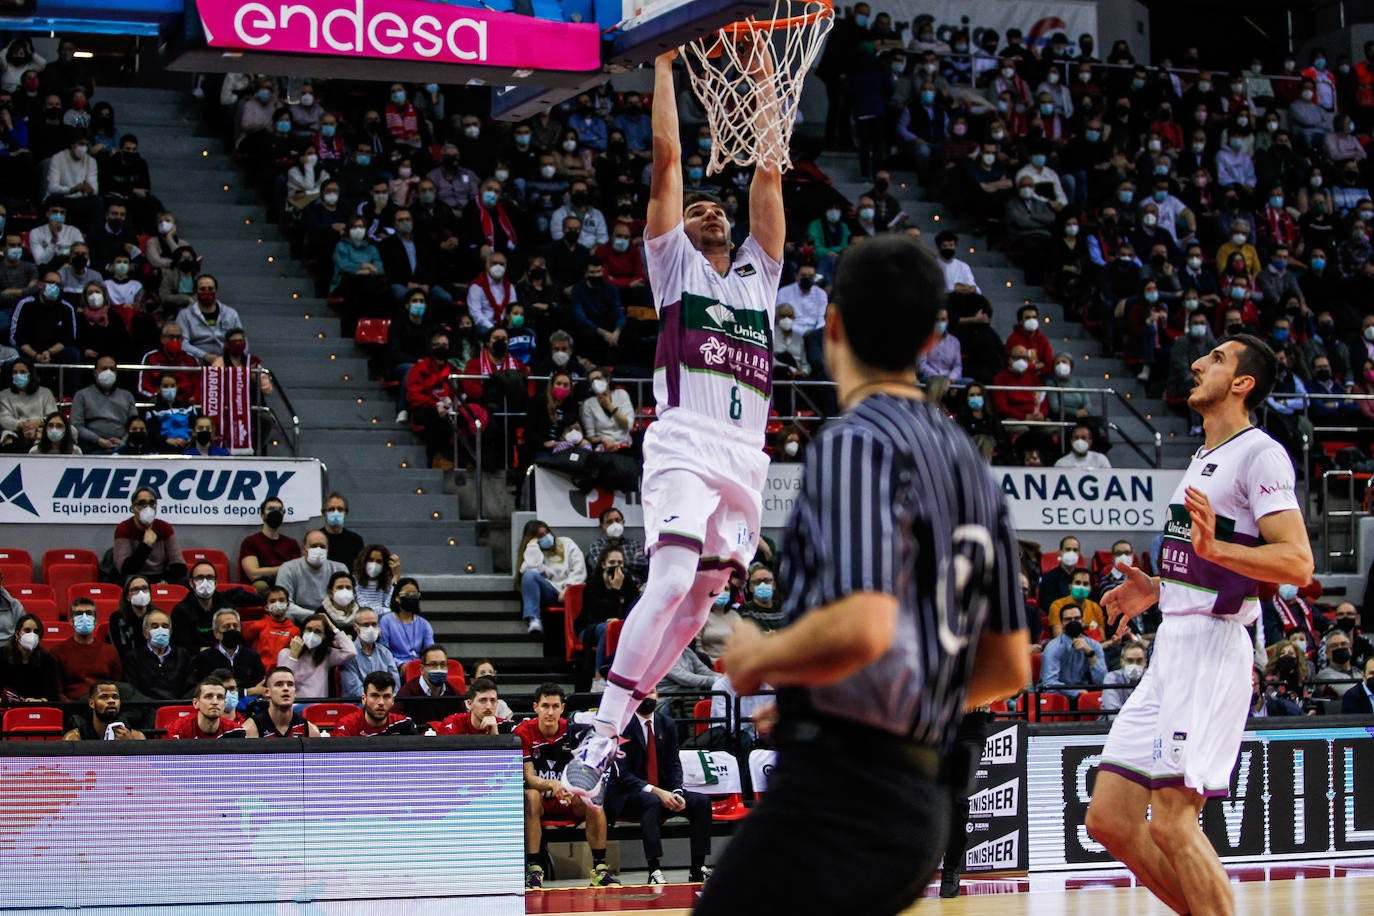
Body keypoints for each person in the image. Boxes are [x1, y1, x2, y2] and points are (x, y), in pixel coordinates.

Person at [697, 234, 1031, 913]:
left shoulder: (855, 440)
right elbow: (1008, 667)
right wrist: (840, 696)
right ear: (933, 335)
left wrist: (767, 654)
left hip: (843, 796)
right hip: (921, 804)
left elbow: (862, 623)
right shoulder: (970, 462)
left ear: (834, 324)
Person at [562, 45, 789, 801]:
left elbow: (767, 170)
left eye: (714, 208)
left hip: (746, 458)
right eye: (697, 210)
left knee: (699, 606)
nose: (709, 210)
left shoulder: (761, 273)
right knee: (667, 582)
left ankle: (617, 719)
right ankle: (600, 736)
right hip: (686, 439)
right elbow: (666, 160)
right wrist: (661, 68)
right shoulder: (673, 267)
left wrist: (763, 81)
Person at [1086, 334, 1314, 916]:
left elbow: (1297, 562)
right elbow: (1210, 562)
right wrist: (1158, 590)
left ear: (1242, 384)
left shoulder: (1260, 453)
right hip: (1173, 644)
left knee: (1172, 822)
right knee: (1109, 818)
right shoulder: (1202, 456)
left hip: (1213, 649)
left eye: (1216, 359)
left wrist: (1215, 550)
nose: (1196, 363)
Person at [605, 690, 714, 885]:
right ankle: (654, 868)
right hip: (628, 795)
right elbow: (622, 775)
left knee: (701, 802)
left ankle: (698, 868)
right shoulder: (621, 726)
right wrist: (656, 791)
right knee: (651, 800)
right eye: (644, 692)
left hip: (663, 791)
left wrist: (677, 791)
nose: (649, 697)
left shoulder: (667, 724)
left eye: (653, 691)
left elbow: (674, 764)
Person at [516, 683, 619, 889]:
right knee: (531, 796)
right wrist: (554, 784)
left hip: (571, 801)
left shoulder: (574, 732)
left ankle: (599, 869)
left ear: (563, 708)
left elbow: (592, 768)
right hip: (542, 805)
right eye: (545, 706)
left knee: (594, 795)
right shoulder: (524, 732)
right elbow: (528, 778)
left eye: (555, 706)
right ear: (536, 707)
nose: (550, 712)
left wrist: (576, 786)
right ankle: (533, 870)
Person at [581, 546, 639, 692]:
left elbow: (633, 608)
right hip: (590, 628)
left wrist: (618, 619)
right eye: (612, 562)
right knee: (606, 628)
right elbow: (595, 615)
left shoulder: (628, 583)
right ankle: (598, 677)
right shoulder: (593, 583)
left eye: (620, 563)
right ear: (603, 564)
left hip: (620, 627)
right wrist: (614, 591)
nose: (616, 566)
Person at [517, 520, 586, 636]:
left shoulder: (567, 543)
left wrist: (568, 588)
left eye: (547, 532)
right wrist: (533, 546)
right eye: (540, 536)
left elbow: (579, 568)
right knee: (529, 575)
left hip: (570, 592)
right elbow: (527, 569)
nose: (546, 537)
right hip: (551, 592)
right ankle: (534, 619)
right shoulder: (535, 551)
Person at [48, 597, 121, 701]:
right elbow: (56, 691)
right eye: (79, 613)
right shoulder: (57, 652)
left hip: (103, 708)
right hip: (72, 709)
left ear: (95, 620)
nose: (84, 617)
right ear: (71, 621)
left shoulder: (110, 651)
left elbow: (117, 687)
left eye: (89, 613)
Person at [112, 487, 186, 584]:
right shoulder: (124, 528)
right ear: (133, 508)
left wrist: (165, 581)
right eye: (142, 503)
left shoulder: (165, 528)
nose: (148, 507)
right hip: (134, 579)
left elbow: (180, 567)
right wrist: (146, 545)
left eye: (151, 503)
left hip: (160, 578)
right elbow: (125, 570)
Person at [276, 613, 354, 699]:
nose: (312, 634)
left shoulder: (327, 655)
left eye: (318, 631)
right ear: (302, 631)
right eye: (309, 630)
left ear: (324, 636)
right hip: (293, 706)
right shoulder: (286, 653)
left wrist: (332, 626)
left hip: (318, 707)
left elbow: (351, 652)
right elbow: (282, 680)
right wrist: (293, 656)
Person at [1039, 604, 1107, 700]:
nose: (1073, 622)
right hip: (1059, 697)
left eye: (1077, 618)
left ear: (1082, 621)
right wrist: (1075, 692)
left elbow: (1102, 682)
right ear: (1062, 623)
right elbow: (1049, 684)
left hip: (1086, 695)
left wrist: (1090, 654)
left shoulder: (1094, 646)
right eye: (1068, 619)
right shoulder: (1053, 647)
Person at [121, 610, 192, 702]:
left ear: (170, 632)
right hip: (146, 708)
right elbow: (133, 691)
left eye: (165, 626)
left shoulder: (183, 655)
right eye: (155, 626)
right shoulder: (133, 657)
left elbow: (190, 687)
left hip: (177, 707)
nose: (160, 630)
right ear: (145, 633)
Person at [71, 354, 136, 453]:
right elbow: (76, 425)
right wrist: (98, 440)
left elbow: (135, 424)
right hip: (91, 445)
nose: (108, 372)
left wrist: (123, 441)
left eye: (112, 369)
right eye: (104, 369)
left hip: (122, 445)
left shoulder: (127, 396)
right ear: (95, 372)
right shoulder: (82, 395)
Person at [279, 530, 348, 618]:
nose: (318, 550)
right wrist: (316, 615)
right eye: (314, 546)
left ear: (328, 549)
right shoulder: (288, 568)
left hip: (333, 617)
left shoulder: (340, 569)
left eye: (322, 547)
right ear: (304, 548)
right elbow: (285, 604)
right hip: (300, 617)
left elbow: (347, 601)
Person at [237, 496, 301, 589]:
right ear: (262, 515)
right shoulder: (250, 542)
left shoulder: (292, 543)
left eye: (279, 510)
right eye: (271, 509)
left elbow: (297, 570)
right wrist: (284, 568)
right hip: (262, 588)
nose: (275, 512)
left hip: (287, 585)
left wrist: (269, 571)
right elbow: (253, 574)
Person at [332, 670, 420, 737]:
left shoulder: (404, 724)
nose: (381, 702)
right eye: (374, 696)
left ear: (393, 700)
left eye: (386, 696)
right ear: (364, 699)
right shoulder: (347, 725)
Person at [243, 666, 321, 738]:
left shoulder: (311, 731)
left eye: (290, 684)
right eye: (279, 684)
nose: (286, 688)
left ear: (295, 692)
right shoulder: (250, 729)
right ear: (267, 692)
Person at [395, 644, 464, 720]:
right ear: (422, 669)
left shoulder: (454, 694)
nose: (439, 669)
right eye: (433, 665)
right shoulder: (407, 694)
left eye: (443, 664)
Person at [338, 606, 395, 698]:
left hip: (384, 705)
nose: (371, 628)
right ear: (356, 627)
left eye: (374, 624)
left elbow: (395, 685)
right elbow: (354, 689)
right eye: (366, 625)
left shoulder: (386, 653)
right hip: (357, 706)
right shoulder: (349, 654)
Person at [0, 613, 59, 701]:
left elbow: (51, 694)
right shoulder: (2, 655)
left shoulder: (47, 660)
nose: (32, 635)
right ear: (17, 634)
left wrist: (41, 700)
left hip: (36, 709)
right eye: (27, 630)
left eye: (36, 632)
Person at [165, 675, 247, 739]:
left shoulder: (235, 731)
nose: (215, 702)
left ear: (224, 703)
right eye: (208, 696)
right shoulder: (179, 729)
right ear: (196, 703)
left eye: (220, 697)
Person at [242, 585, 298, 673]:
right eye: (272, 601)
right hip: (259, 674)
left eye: (281, 600)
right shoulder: (257, 626)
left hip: (282, 674)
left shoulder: (295, 631)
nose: (277, 603)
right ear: (266, 607)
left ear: (288, 605)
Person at [63, 682, 146, 740]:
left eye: (115, 697)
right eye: (104, 697)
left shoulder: (136, 737)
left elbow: (146, 765)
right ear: (91, 703)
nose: (111, 701)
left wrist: (131, 747)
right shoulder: (74, 738)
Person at [379, 577, 433, 664]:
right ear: (397, 597)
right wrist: (399, 664)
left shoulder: (424, 624)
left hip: (418, 666)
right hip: (394, 667)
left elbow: (430, 650)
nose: (411, 597)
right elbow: (383, 650)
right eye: (407, 594)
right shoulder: (386, 621)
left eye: (414, 594)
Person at [586, 506, 648, 582]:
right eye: (609, 522)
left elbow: (643, 563)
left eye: (618, 520)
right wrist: (630, 561)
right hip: (609, 588)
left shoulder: (634, 544)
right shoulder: (597, 546)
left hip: (636, 587)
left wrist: (613, 561)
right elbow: (602, 567)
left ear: (623, 522)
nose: (614, 524)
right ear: (602, 526)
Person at [437, 676, 504, 735]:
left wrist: (495, 735)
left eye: (492, 700)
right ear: (469, 704)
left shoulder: (505, 725)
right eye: (482, 700)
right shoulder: (454, 723)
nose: (488, 706)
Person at [321, 492, 365, 568]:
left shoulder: (356, 540)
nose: (336, 512)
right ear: (324, 514)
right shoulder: (316, 538)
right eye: (331, 509)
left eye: (340, 509)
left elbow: (360, 569)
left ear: (346, 513)